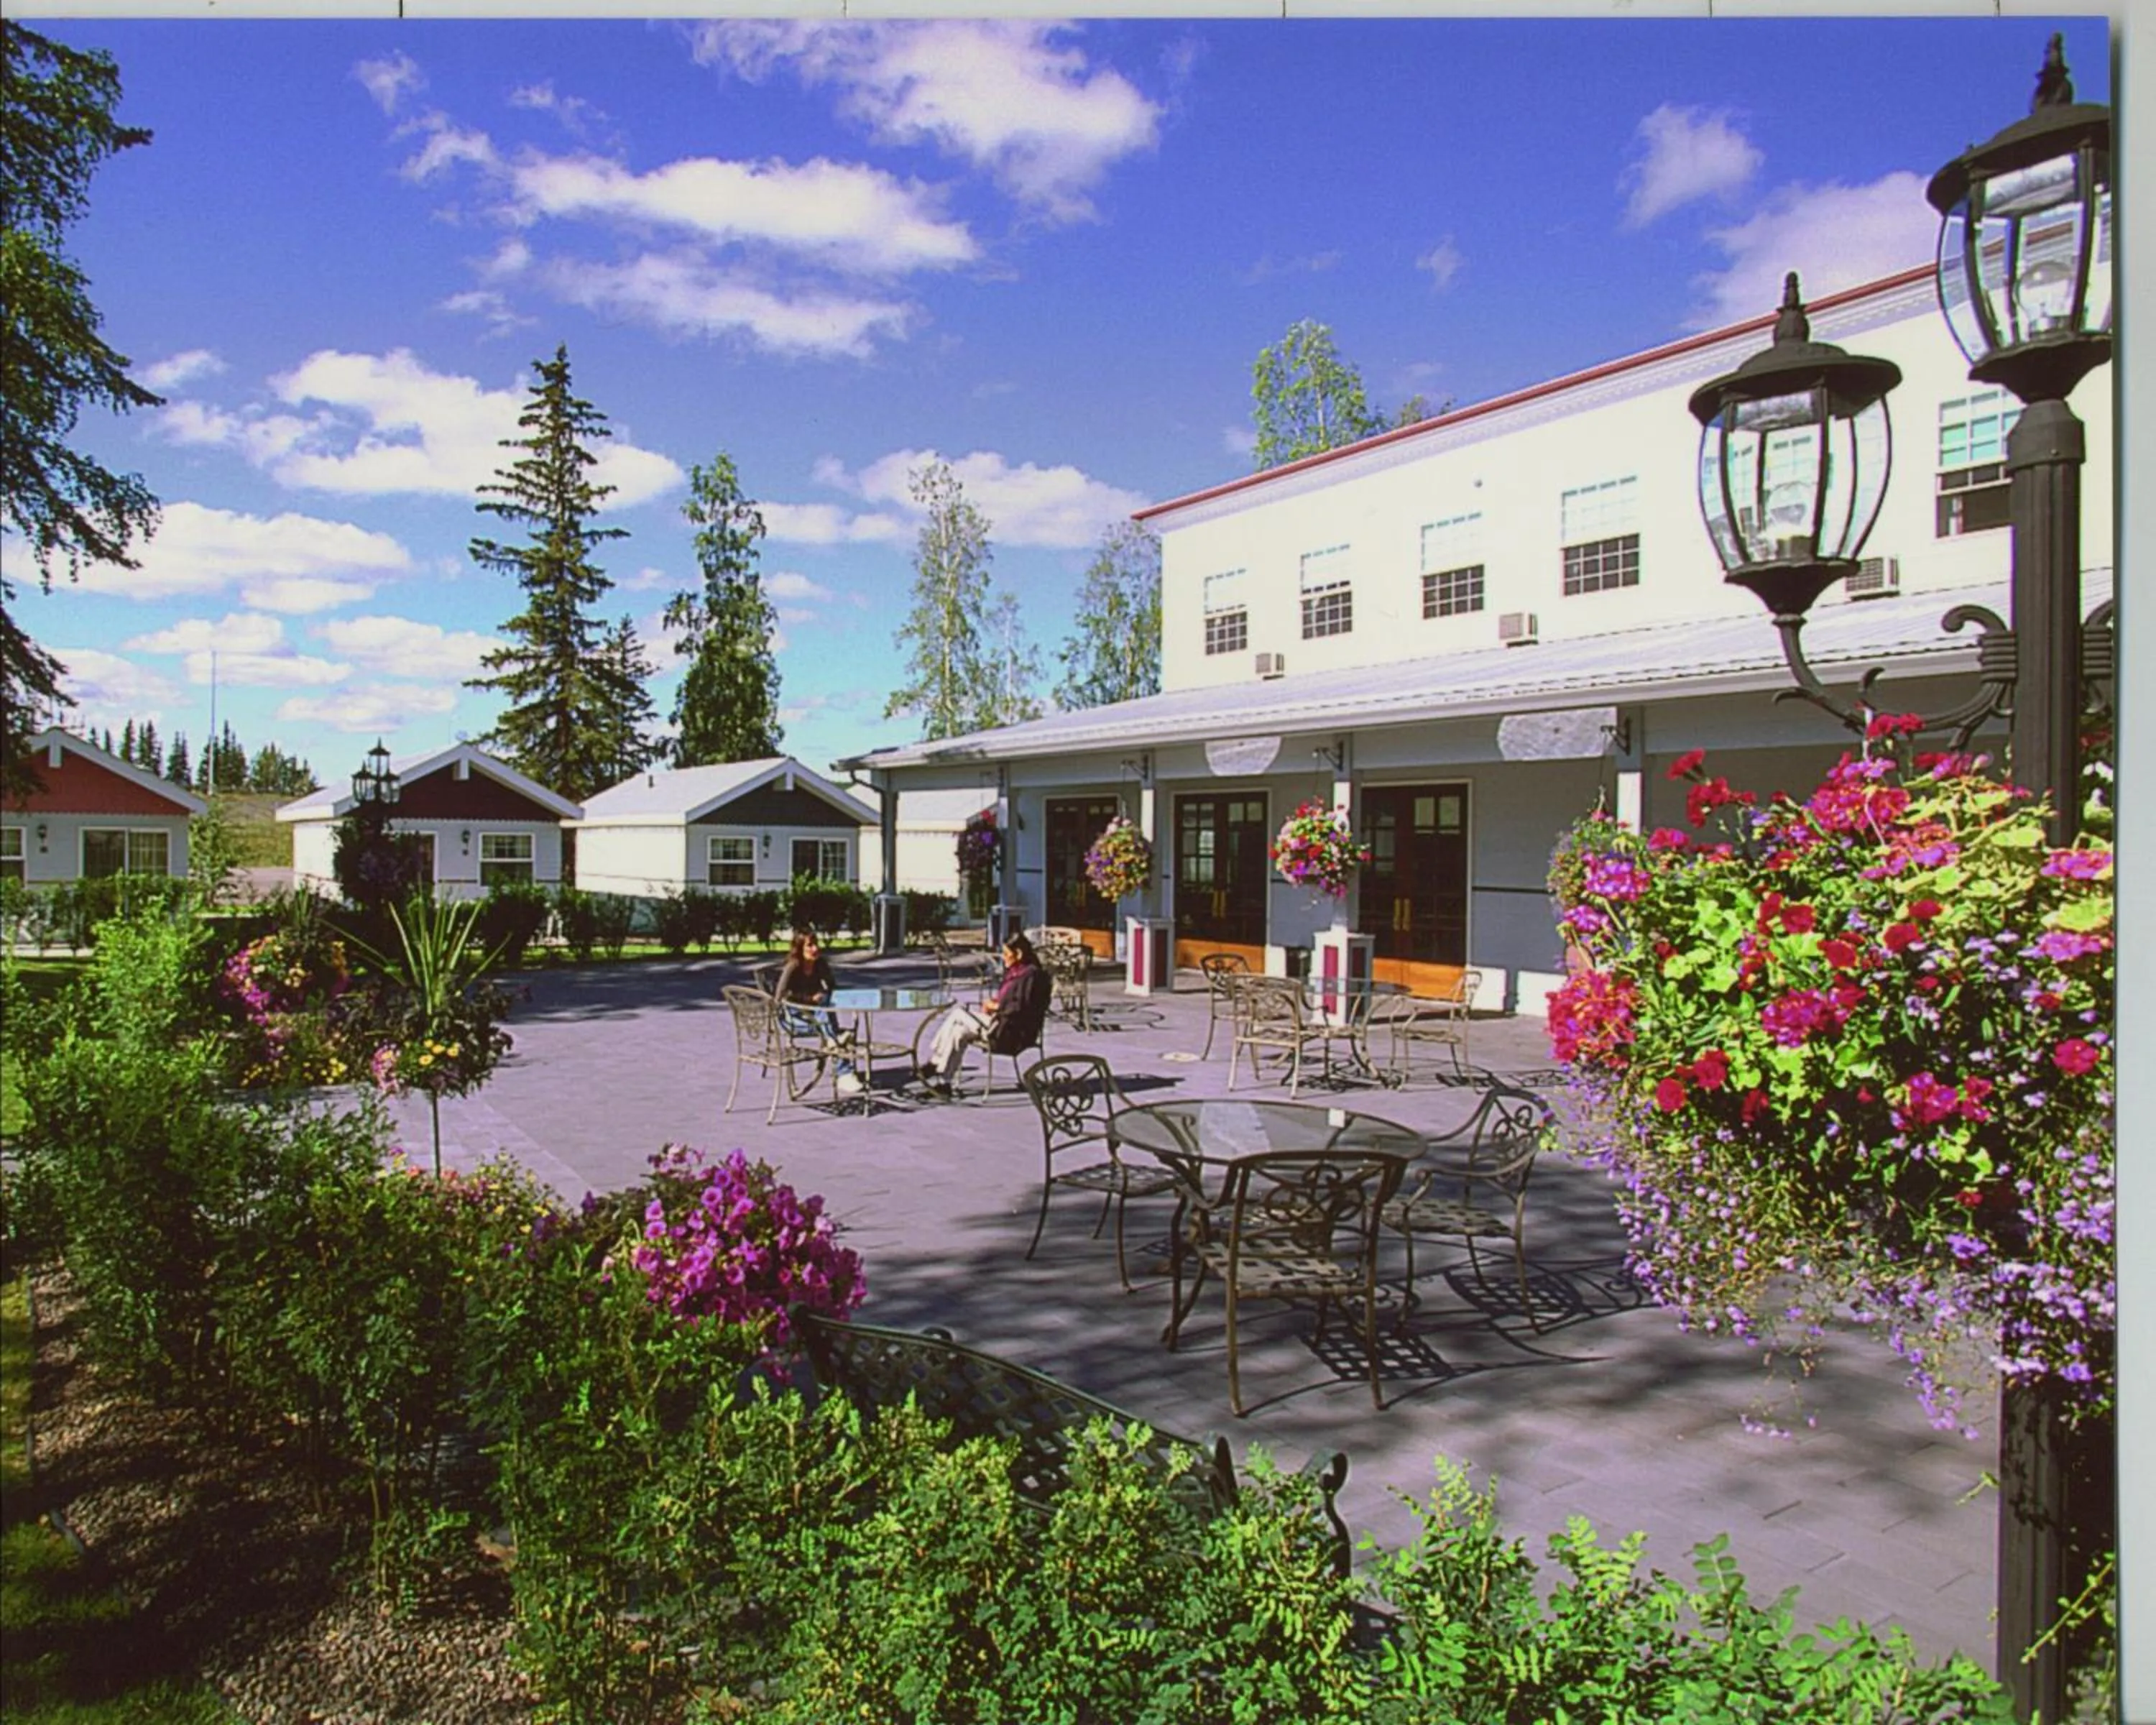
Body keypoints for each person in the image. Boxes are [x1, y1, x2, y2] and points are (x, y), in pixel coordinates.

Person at [918, 932, 1051, 1096]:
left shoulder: (1031, 976)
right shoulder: (1016, 973)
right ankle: (944, 1083)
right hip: (1000, 1023)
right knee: (959, 1032)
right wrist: (996, 1004)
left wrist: (996, 1006)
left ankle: (935, 1061)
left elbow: (1021, 1007)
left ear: (1019, 954)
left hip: (1010, 1033)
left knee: (958, 1014)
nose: (1003, 958)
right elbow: (1012, 1000)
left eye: (1006, 954)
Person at [774, 928, 863, 1099]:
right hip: (792, 1017)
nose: (815, 949)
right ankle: (843, 1071)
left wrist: (824, 993)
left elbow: (832, 988)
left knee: (824, 1007)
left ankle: (833, 1041)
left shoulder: (820, 964)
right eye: (810, 945)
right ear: (800, 949)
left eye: (816, 944)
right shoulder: (793, 967)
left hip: (815, 1015)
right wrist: (809, 999)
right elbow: (780, 997)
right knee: (826, 1020)